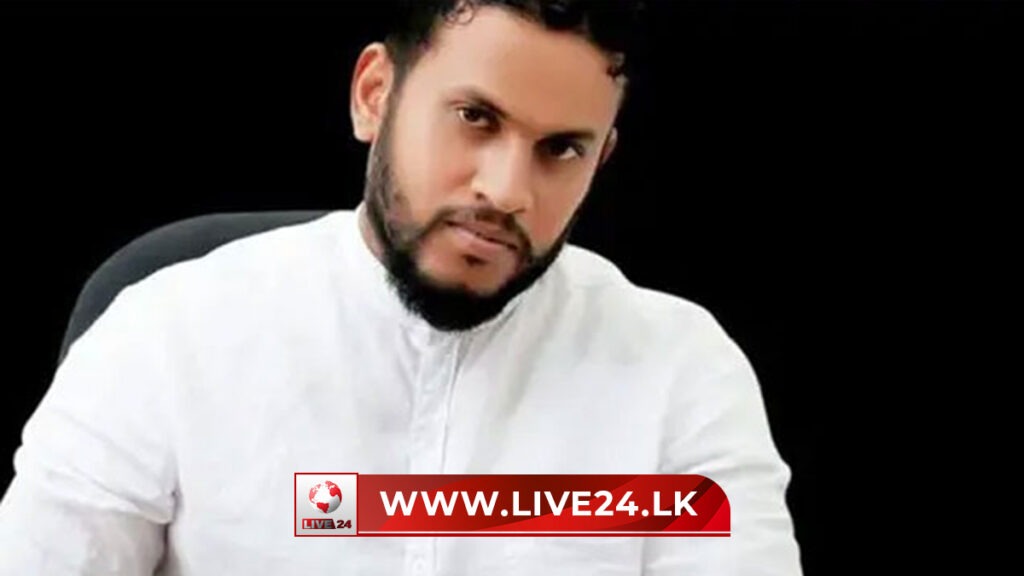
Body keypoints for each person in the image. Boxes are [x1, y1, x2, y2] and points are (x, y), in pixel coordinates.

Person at [0, 1, 802, 574]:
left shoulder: (679, 370)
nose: (507, 191)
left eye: (561, 150)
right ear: (374, 95)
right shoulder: (167, 336)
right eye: (475, 118)